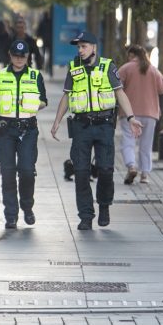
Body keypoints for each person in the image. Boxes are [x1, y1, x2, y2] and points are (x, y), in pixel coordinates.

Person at [50, 31, 143, 230]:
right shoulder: (74, 68)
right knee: (81, 172)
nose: (80, 50)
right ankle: (85, 215)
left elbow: (120, 93)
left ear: (94, 47)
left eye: (84, 46)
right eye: (78, 47)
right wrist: (57, 121)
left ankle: (104, 205)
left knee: (106, 170)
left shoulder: (108, 66)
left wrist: (131, 117)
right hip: (81, 127)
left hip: (103, 126)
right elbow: (66, 96)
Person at [0, 39, 48, 229]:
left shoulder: (35, 76)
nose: (19, 59)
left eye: (23, 56)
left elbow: (43, 101)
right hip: (5, 130)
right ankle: (11, 215)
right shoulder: (1, 75)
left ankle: (27, 207)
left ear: (28, 57)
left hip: (28, 130)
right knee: (7, 173)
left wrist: (31, 103)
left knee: (27, 171)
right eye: (16, 56)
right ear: (10, 55)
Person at [117, 44, 163, 185]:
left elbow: (115, 87)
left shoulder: (126, 68)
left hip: (129, 113)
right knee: (146, 144)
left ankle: (131, 166)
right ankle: (145, 174)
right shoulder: (152, 70)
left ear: (131, 55)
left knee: (128, 140)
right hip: (150, 113)